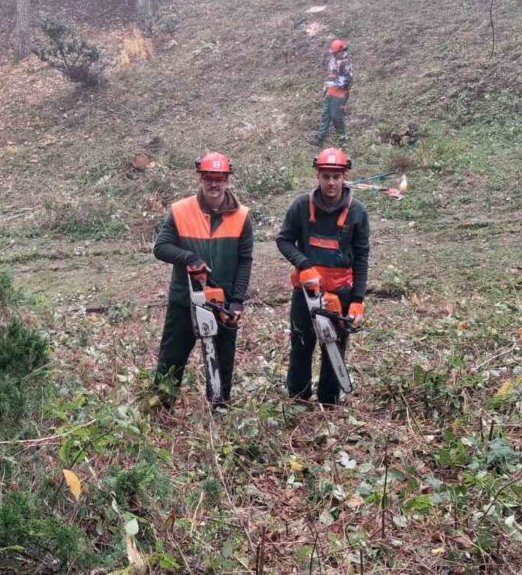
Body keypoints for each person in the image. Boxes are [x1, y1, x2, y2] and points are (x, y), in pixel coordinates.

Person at [152, 152, 253, 412]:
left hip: (224, 301)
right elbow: (161, 247)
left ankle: (219, 408)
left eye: (219, 179)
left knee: (222, 359)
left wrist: (238, 301)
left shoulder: (241, 216)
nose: (214, 184)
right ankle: (161, 408)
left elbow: (244, 261)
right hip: (185, 299)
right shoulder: (181, 210)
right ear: (201, 178)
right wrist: (188, 257)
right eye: (209, 178)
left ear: (227, 180)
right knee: (172, 358)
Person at [276, 148, 370, 406]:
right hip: (306, 292)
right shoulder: (301, 206)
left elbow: (361, 257)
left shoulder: (357, 212)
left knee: (334, 349)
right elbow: (284, 240)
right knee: (301, 344)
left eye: (336, 177)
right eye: (326, 176)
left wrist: (358, 300)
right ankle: (298, 398)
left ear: (344, 177)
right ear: (318, 175)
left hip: (340, 292)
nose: (331, 182)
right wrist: (303, 264)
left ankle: (330, 401)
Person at [317, 39, 353, 146]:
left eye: (335, 52)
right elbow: (330, 75)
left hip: (340, 94)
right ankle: (320, 138)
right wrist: (326, 87)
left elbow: (349, 79)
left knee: (336, 116)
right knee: (326, 115)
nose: (334, 54)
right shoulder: (332, 60)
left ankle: (342, 139)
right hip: (330, 92)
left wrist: (336, 83)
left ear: (341, 51)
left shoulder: (345, 62)